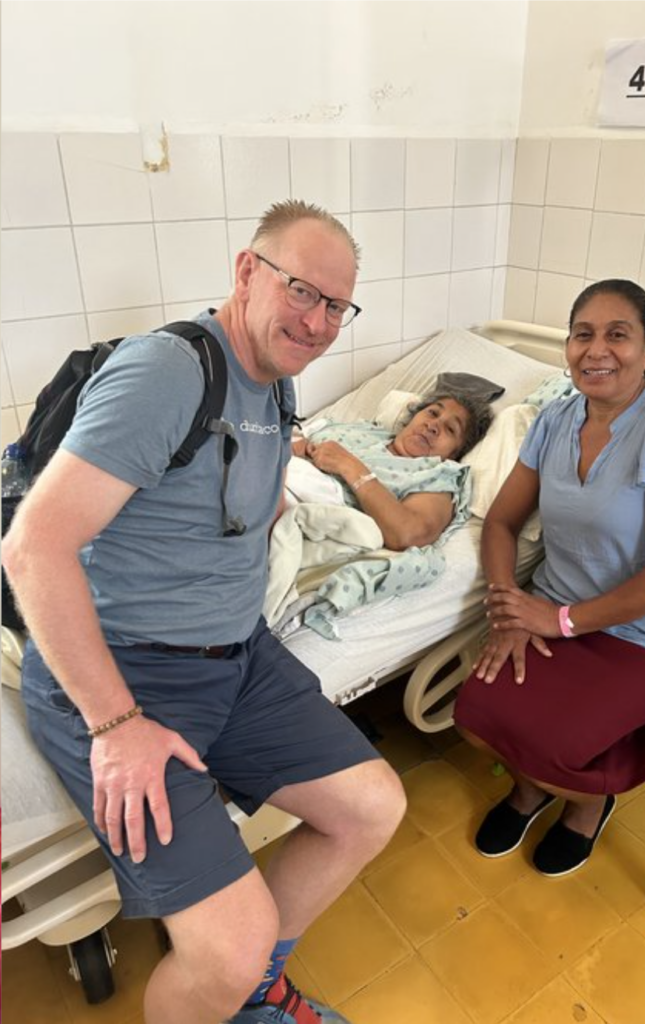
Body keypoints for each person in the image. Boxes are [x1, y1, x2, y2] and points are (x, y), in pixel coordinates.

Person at [2, 199, 407, 1024]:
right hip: (127, 676)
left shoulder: (277, 383)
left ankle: (254, 990)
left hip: (238, 656)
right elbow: (32, 550)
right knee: (228, 941)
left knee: (373, 808)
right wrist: (116, 728)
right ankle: (237, 972)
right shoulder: (171, 371)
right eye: (303, 290)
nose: (319, 320)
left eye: (337, 305)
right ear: (247, 271)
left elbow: (249, 507)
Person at [453, 279, 645, 878]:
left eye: (618, 335)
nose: (597, 350)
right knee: (475, 714)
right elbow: (502, 522)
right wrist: (509, 611)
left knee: (558, 744)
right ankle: (530, 793)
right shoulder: (556, 421)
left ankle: (587, 806)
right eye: (583, 334)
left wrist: (556, 622)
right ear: (568, 347)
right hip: (554, 610)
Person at [290, 391, 493, 550]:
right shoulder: (366, 430)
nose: (433, 425)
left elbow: (408, 534)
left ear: (455, 453)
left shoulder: (436, 477)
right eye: (432, 412)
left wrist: (349, 465)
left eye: (450, 429)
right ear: (413, 416)